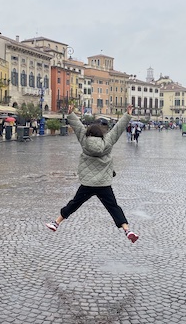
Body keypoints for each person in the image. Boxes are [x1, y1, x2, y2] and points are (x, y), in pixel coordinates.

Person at [45, 104, 139, 243]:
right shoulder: (107, 141)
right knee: (113, 207)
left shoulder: (84, 140)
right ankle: (127, 229)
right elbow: (118, 129)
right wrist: (128, 114)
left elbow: (77, 127)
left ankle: (56, 222)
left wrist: (70, 113)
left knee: (74, 203)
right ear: (101, 134)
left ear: (88, 133)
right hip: (103, 184)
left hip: (88, 183)